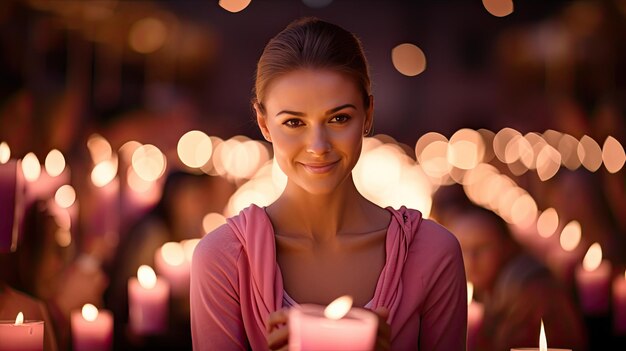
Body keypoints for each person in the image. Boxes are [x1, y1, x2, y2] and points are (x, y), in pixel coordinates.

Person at [190, 17, 467, 350]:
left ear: (368, 114)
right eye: (293, 122)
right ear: (264, 124)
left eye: (339, 118)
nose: (318, 146)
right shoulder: (222, 259)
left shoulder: (434, 253)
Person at [445, 202, 587, 351]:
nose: (471, 260)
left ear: (506, 246)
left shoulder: (534, 295)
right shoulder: (485, 295)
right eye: (462, 248)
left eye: (482, 247)